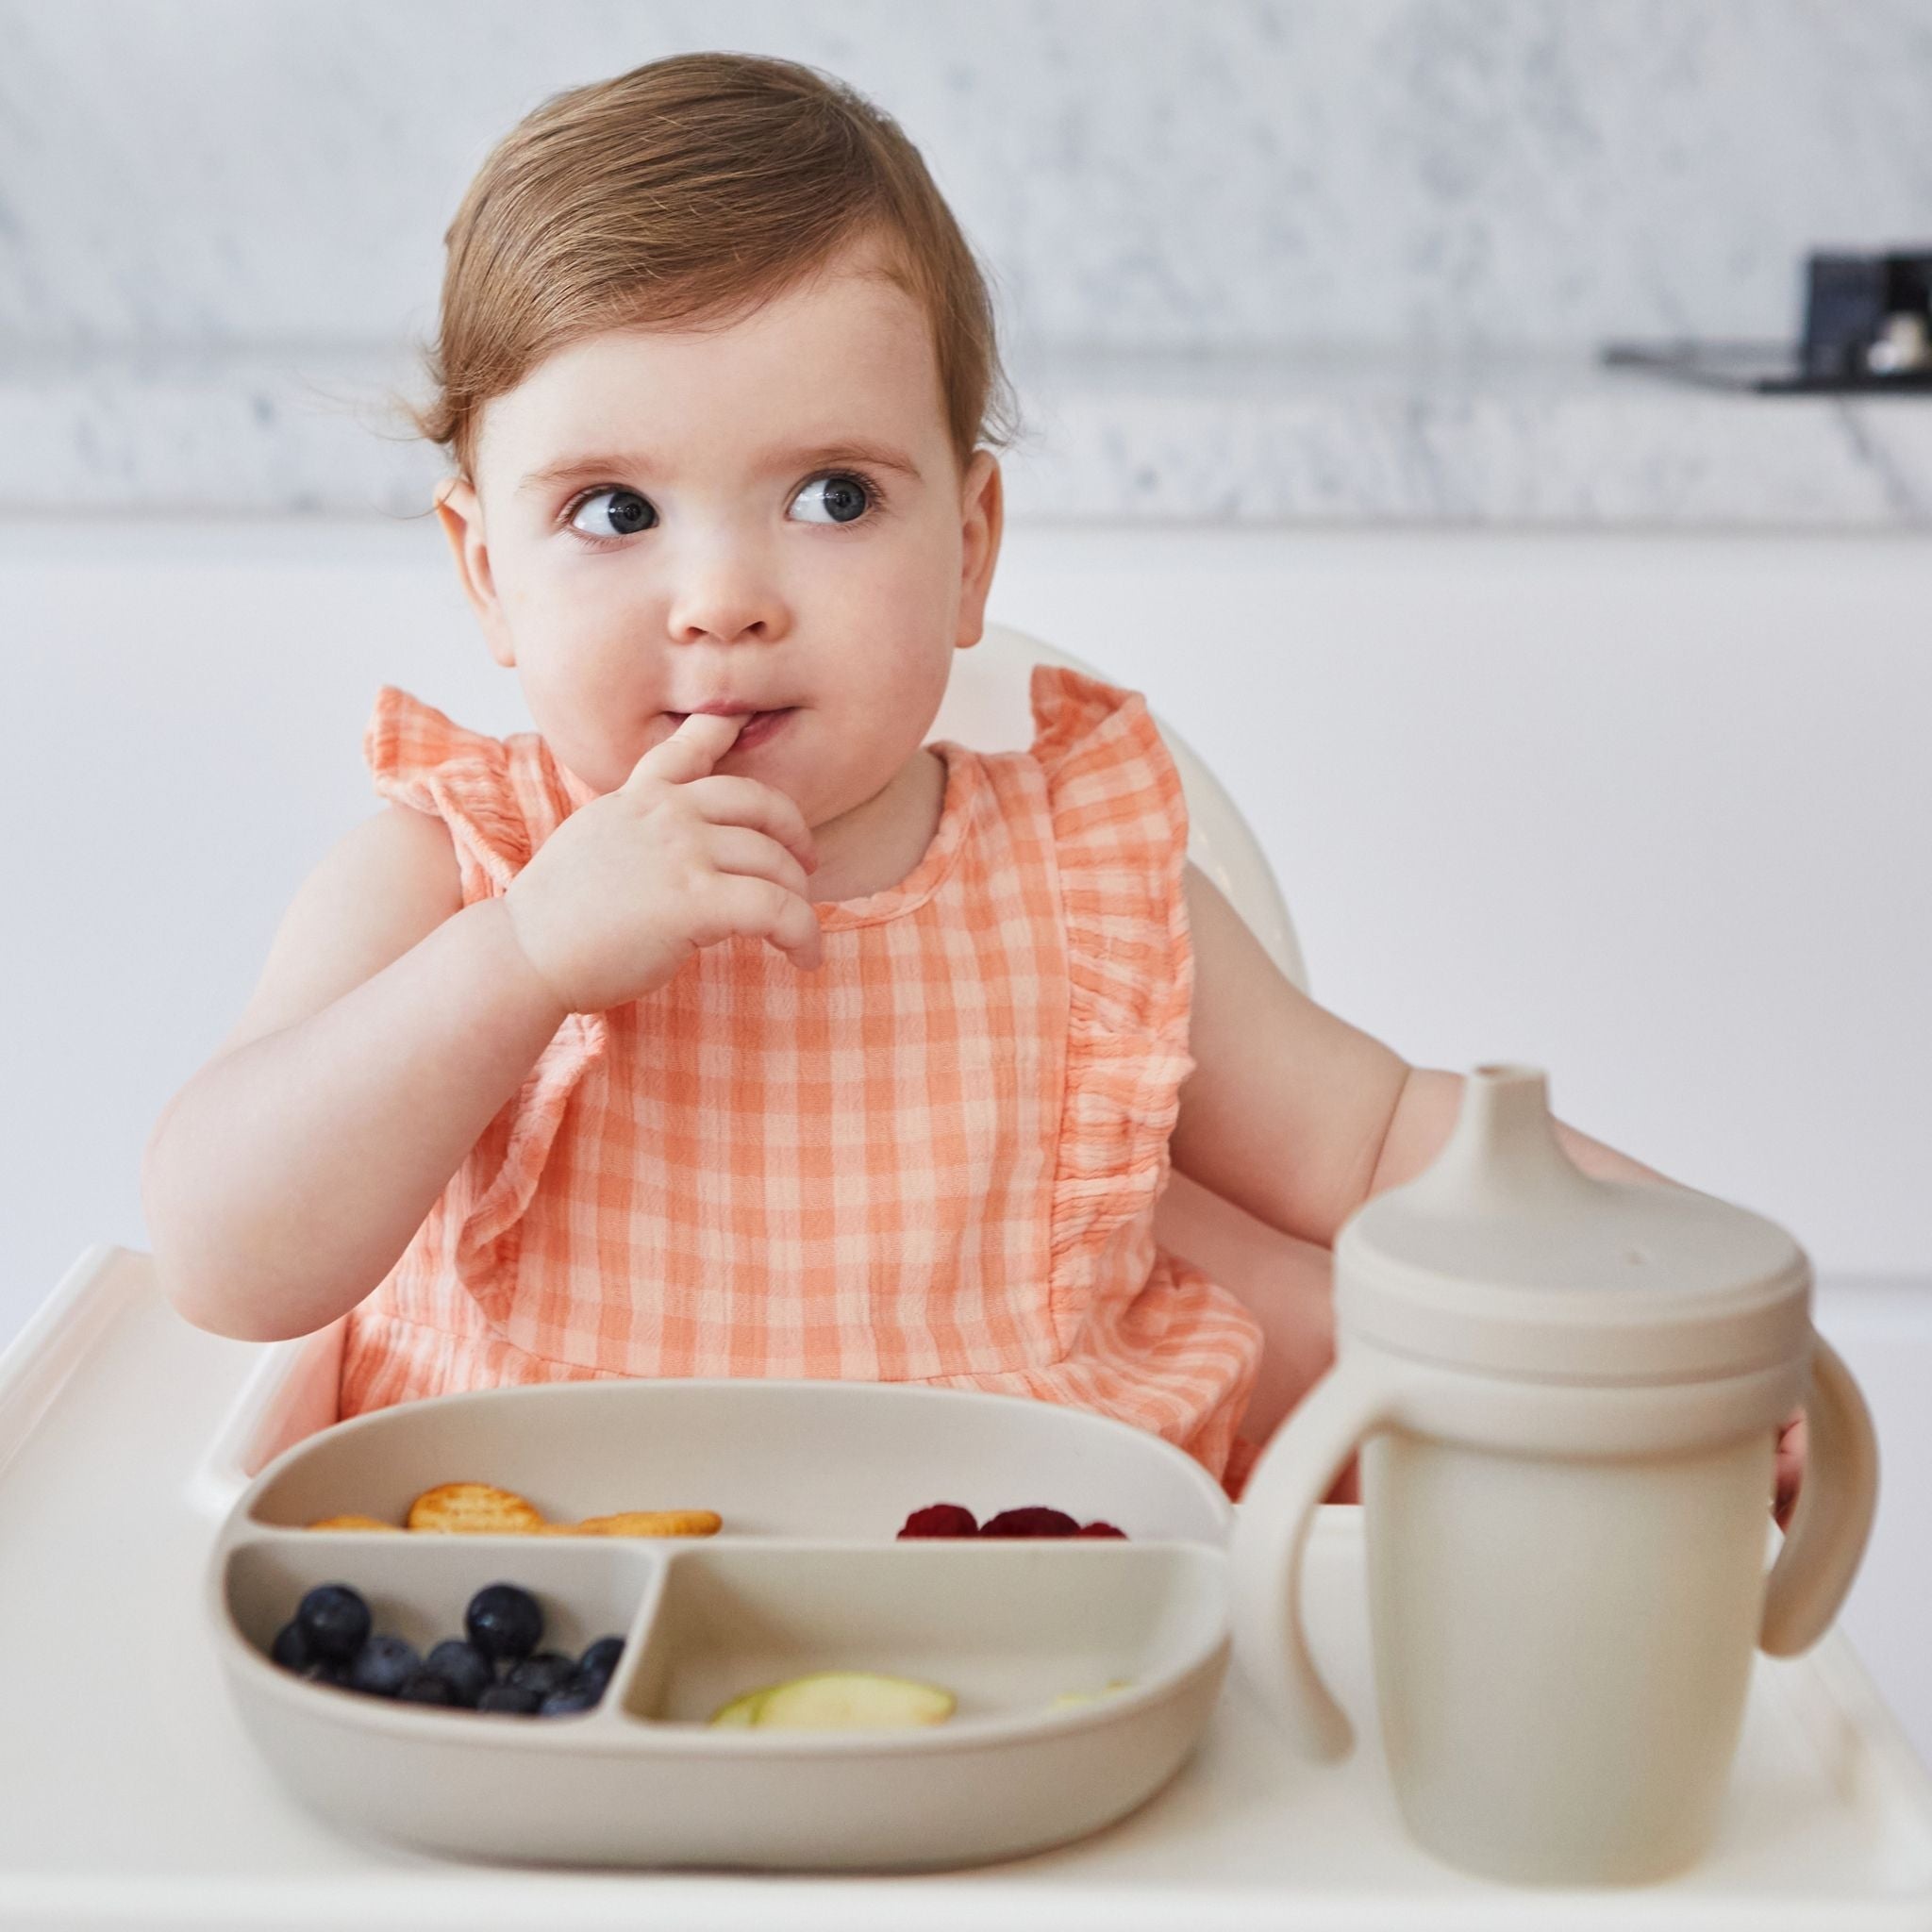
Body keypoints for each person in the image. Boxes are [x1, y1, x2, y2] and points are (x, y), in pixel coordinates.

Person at [140, 51, 1803, 1510]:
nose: (723, 596)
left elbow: (1380, 1144)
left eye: (835, 497)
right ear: (487, 575)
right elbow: (227, 1260)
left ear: (971, 547)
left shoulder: (1089, 891)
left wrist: (1699, 1298)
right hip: (538, 1666)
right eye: (615, 512)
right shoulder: (452, 876)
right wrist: (517, 967)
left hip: (1050, 1654)